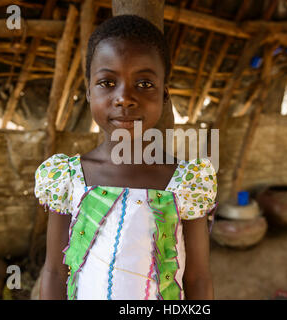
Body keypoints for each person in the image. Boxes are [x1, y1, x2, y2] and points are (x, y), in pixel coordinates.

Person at [34, 15, 218, 300]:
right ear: (88, 92)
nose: (124, 98)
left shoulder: (187, 182)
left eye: (144, 84)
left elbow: (198, 277)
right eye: (107, 82)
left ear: (165, 93)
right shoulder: (67, 178)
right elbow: (55, 273)